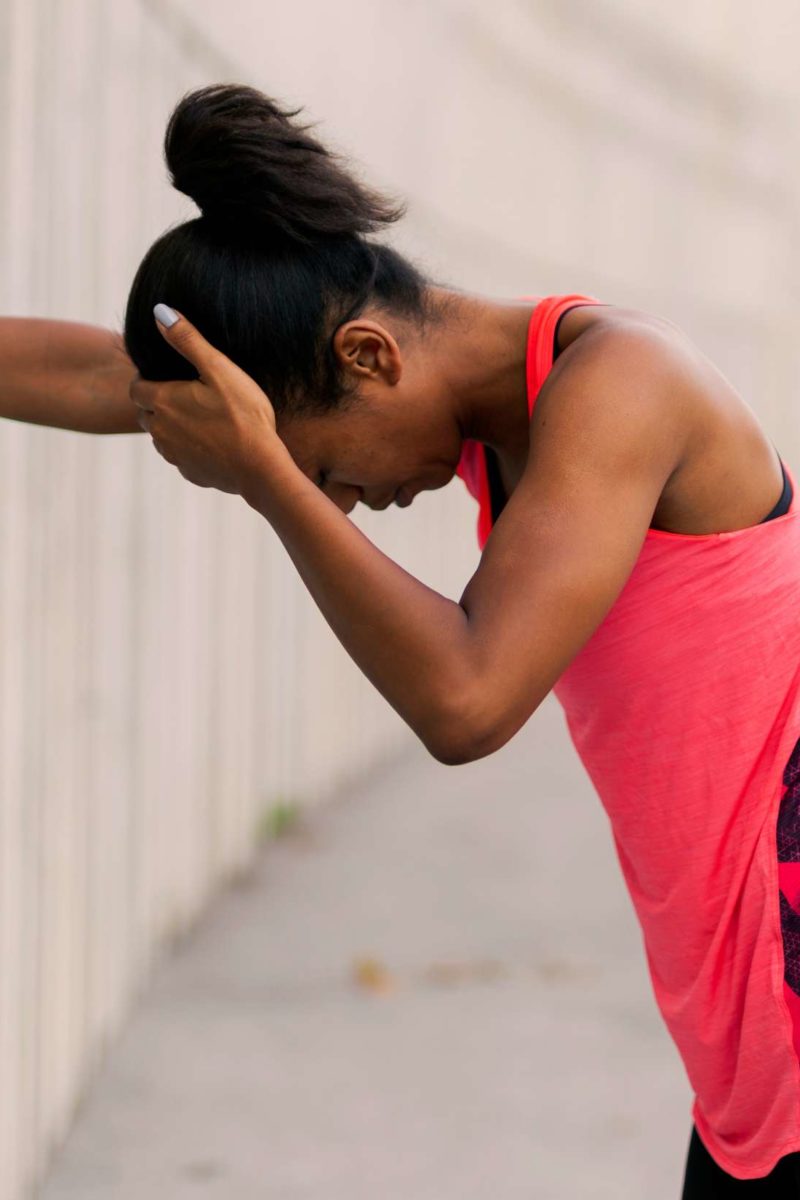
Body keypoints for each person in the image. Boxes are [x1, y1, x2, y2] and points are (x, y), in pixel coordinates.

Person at [4, 82, 800, 1194]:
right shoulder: (518, 412)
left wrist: (267, 479)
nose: (340, 502)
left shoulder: (625, 385)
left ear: (370, 357)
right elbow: (105, 378)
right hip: (742, 1026)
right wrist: (258, 448)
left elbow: (467, 703)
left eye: (328, 470)